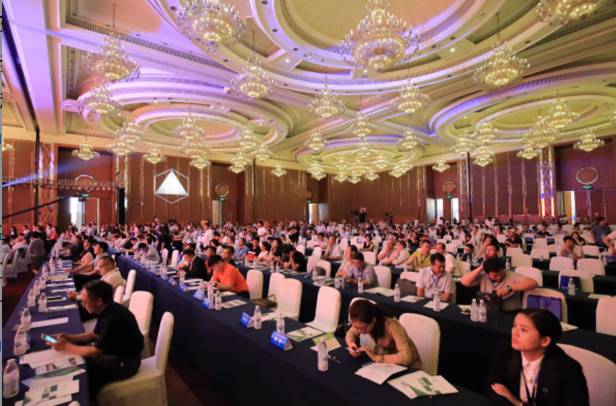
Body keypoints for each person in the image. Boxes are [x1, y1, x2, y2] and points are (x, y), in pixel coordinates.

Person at [49, 280, 143, 397]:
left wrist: (66, 346)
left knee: (82, 369)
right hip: (116, 353)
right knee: (79, 357)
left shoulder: (113, 319)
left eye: (84, 302)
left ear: (98, 301)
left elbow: (95, 351)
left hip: (127, 363)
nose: (82, 305)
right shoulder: (108, 308)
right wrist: (69, 337)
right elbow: (94, 335)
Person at [488, 308, 589, 406]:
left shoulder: (568, 369)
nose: (515, 333)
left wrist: (516, 402)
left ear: (545, 341)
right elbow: (493, 388)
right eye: (514, 326)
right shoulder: (506, 350)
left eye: (523, 330)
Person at [345, 299, 421, 368]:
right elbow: (351, 333)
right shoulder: (363, 321)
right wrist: (352, 345)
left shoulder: (392, 325)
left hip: (409, 366)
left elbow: (406, 357)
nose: (361, 331)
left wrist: (377, 357)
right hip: (388, 362)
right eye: (357, 327)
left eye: (363, 328)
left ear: (373, 321)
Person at [461, 257, 538, 312]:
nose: (498, 277)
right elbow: (464, 282)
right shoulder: (483, 275)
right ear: (487, 274)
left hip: (510, 313)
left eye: (501, 273)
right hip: (489, 312)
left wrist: (509, 288)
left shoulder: (512, 275)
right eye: (494, 276)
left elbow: (533, 283)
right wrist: (481, 267)